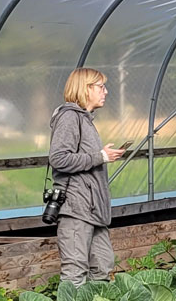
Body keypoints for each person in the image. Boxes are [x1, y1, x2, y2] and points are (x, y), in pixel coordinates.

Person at [49, 67, 125, 284]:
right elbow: (59, 158)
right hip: (77, 207)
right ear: (86, 89)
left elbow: (86, 156)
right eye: (101, 87)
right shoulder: (69, 117)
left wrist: (102, 155)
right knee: (75, 272)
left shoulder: (85, 119)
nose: (106, 91)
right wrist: (100, 156)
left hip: (95, 210)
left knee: (102, 266)